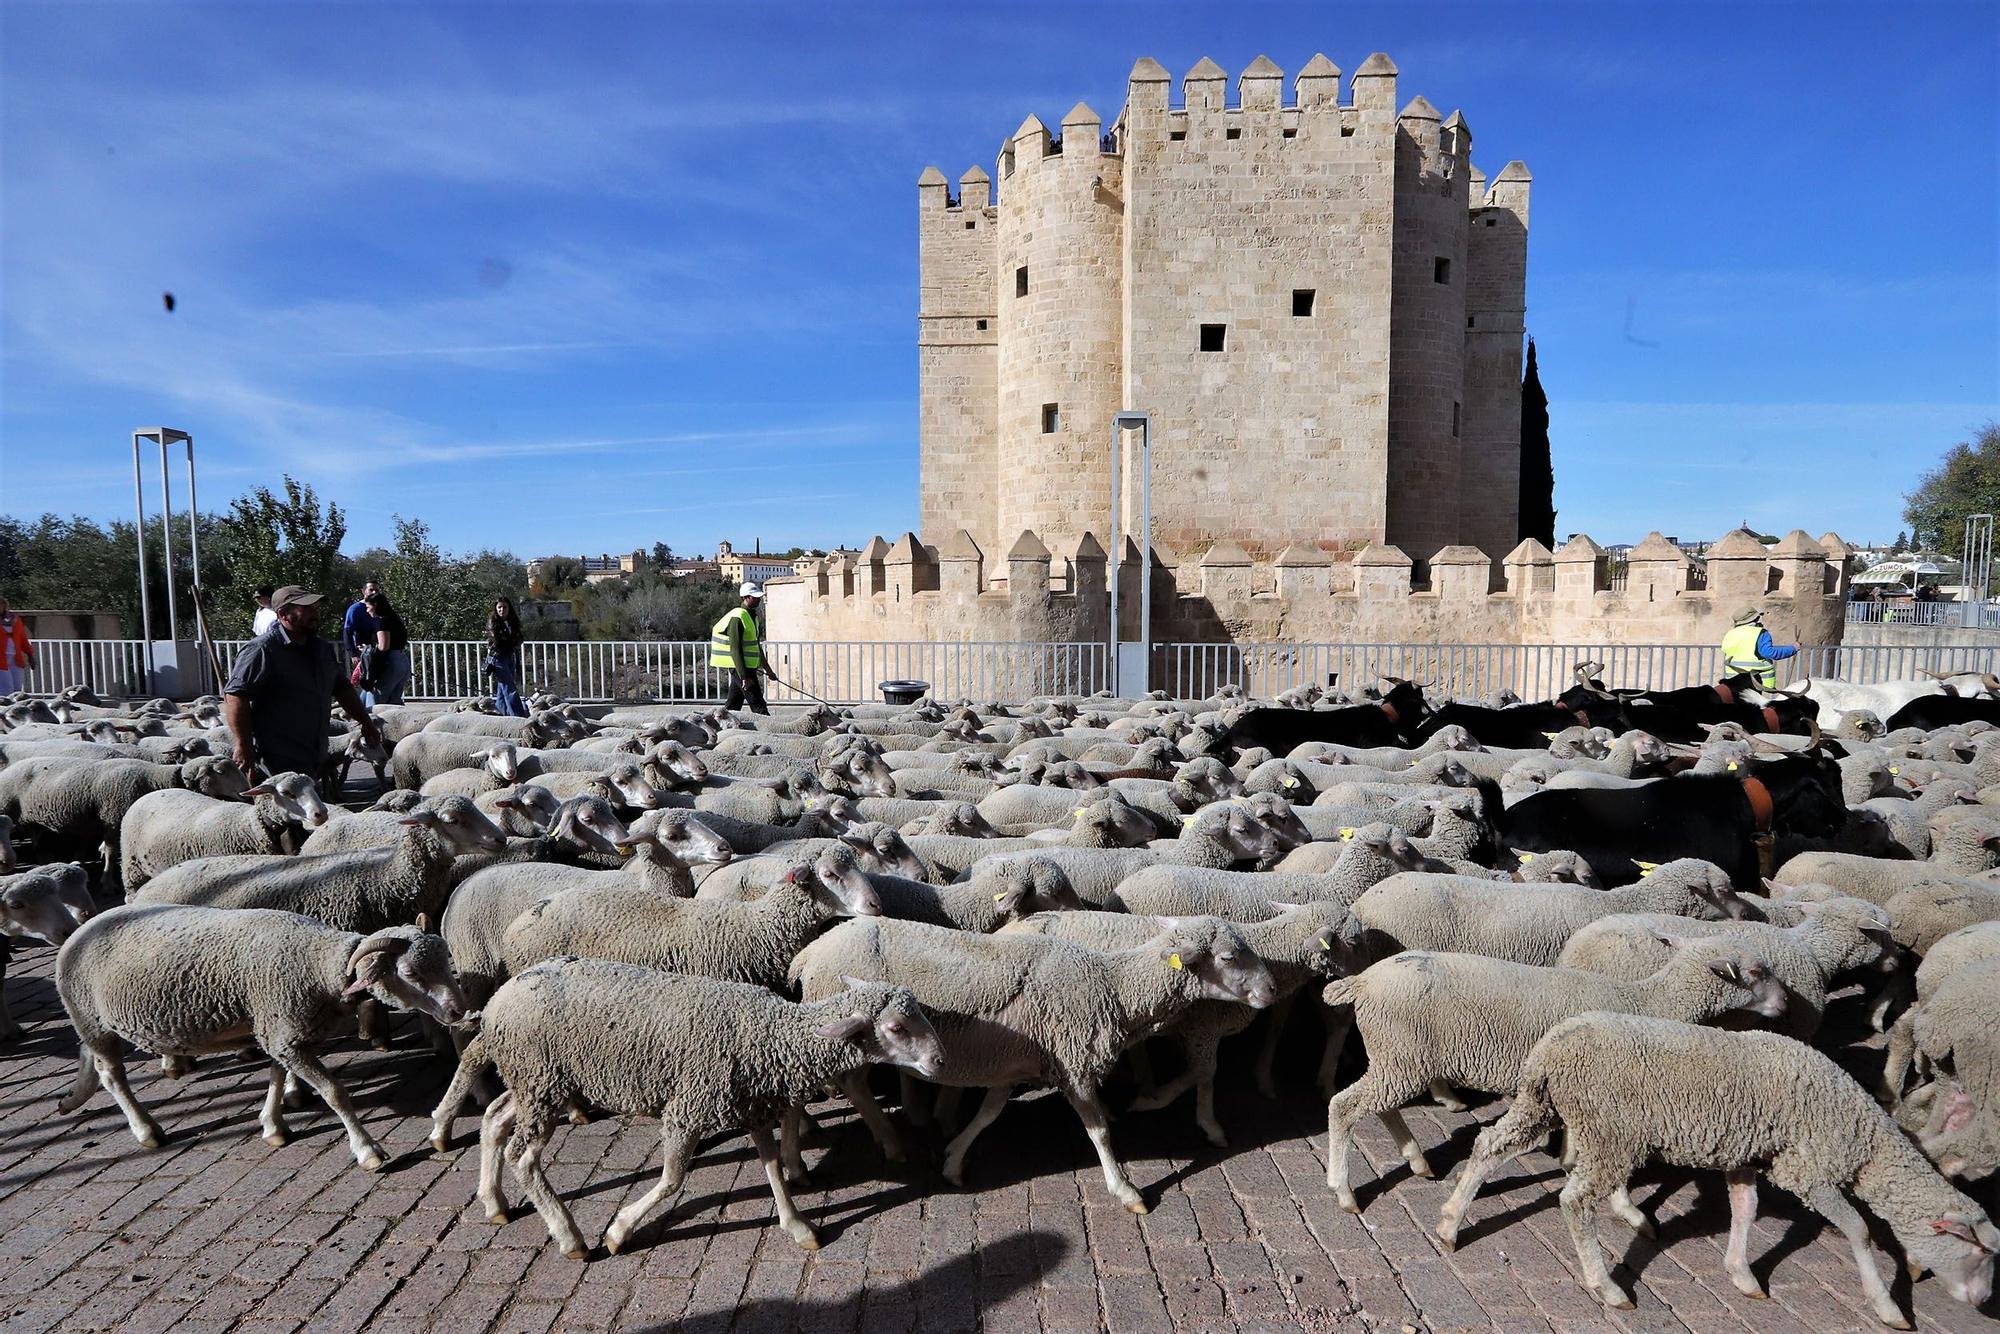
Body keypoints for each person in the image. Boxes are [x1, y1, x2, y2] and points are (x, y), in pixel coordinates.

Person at [223, 585, 382, 781]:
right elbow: (236, 696)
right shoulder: (262, 650)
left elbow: (342, 688)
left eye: (315, 607)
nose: (314, 612)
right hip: (275, 756)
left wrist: (365, 722)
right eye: (306, 608)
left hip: (314, 753)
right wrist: (243, 743)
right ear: (283, 614)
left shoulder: (322, 649)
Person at [710, 582, 769, 715]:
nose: (758, 599)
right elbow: (735, 649)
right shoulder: (737, 618)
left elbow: (756, 646)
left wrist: (768, 670)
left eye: (759, 597)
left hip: (748, 668)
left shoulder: (753, 617)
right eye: (755, 597)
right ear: (746, 597)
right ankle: (771, 734)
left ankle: (720, 731)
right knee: (759, 705)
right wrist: (744, 676)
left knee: (733, 705)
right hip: (741, 668)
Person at [1720, 607, 1798, 691]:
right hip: (1755, 680)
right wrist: (1793, 648)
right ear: (1754, 619)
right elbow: (1769, 653)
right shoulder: (1760, 633)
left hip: (1733, 679)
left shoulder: (1730, 633)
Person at [361, 591, 411, 706]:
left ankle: (371, 722)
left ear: (375, 606)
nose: (367, 610)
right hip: (402, 661)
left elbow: (383, 646)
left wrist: (370, 652)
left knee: (375, 699)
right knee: (394, 700)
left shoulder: (382, 621)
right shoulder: (394, 618)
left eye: (368, 607)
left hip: (391, 663)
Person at [486, 596, 529, 717]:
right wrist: (511, 640)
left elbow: (519, 638)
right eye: (499, 607)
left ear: (509, 608)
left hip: (510, 655)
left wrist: (511, 641)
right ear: (496, 608)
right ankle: (518, 716)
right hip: (498, 657)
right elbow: (498, 641)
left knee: (502, 688)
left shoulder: (512, 621)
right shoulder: (492, 622)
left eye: (505, 607)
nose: (502, 610)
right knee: (509, 688)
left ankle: (501, 713)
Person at [342, 580, 379, 673]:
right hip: (363, 651)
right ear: (363, 591)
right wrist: (353, 654)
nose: (374, 592)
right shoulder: (355, 609)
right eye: (371, 590)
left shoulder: (379, 608)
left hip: (377, 650)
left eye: (377, 590)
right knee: (366, 678)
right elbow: (347, 631)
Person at [0, 597, 34, 695]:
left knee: (17, 688)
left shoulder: (14, 619)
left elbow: (22, 638)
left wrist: (30, 655)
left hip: (15, 657)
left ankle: (15, 708)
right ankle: (4, 708)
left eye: (1, 604)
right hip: (1, 659)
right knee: (6, 688)